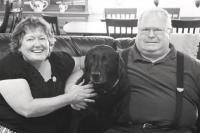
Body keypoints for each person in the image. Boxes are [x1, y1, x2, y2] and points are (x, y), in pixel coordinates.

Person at [103, 8, 200, 133]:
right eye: (145, 29)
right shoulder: (116, 60)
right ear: (138, 31)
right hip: (124, 129)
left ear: (169, 32)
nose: (151, 35)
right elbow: (81, 68)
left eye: (157, 30)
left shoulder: (192, 66)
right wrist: (72, 88)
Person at [0, 16, 95, 133]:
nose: (37, 44)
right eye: (30, 39)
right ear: (19, 45)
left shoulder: (57, 60)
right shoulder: (10, 65)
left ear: (49, 42)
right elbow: (27, 109)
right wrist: (70, 98)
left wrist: (69, 87)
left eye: (42, 38)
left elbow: (79, 65)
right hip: (16, 129)